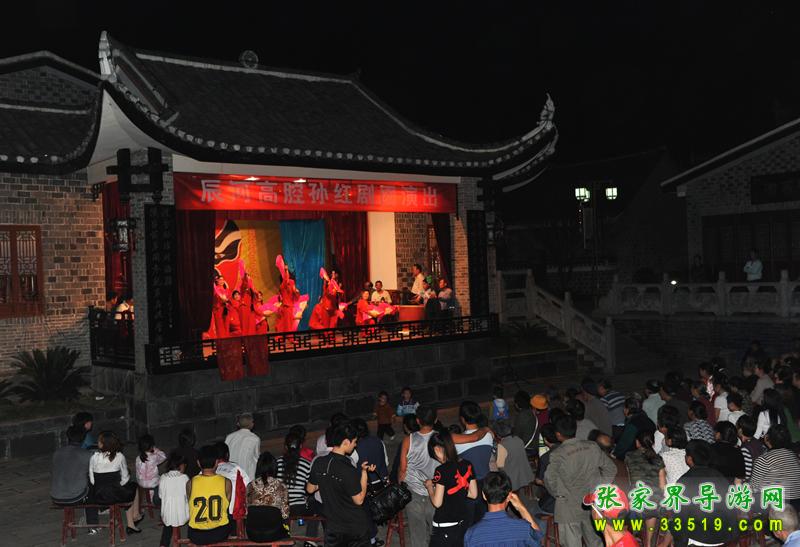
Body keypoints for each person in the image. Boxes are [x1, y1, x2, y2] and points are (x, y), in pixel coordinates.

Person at [543, 414, 616, 547]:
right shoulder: (592, 446)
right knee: (595, 541)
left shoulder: (558, 454)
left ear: (558, 434)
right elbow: (611, 469)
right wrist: (598, 489)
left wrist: (559, 495)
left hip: (568, 507)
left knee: (571, 543)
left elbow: (549, 479)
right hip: (592, 503)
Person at [307, 420, 376, 547]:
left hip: (333, 528)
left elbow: (310, 489)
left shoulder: (319, 462)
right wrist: (364, 473)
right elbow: (359, 500)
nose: (355, 445)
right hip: (354, 528)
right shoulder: (347, 468)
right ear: (345, 442)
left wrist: (325, 479)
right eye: (354, 442)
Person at [668, 440, 738, 547]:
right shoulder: (720, 477)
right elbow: (731, 509)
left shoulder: (684, 481)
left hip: (700, 538)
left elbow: (681, 519)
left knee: (671, 523)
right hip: (725, 536)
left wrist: (680, 544)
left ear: (689, 459)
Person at [424, 430, 478, 547]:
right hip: (461, 524)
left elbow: (437, 503)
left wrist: (430, 487)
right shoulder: (467, 464)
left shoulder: (441, 470)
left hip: (444, 526)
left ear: (437, 449)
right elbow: (473, 494)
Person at [464, 471, 542, 547]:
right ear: (509, 496)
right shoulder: (523, 528)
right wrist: (521, 507)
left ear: (484, 495)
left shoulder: (472, 535)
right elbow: (538, 538)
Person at [399, 405, 439, 547]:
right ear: (436, 419)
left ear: (417, 420)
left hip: (414, 490)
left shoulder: (408, 440)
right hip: (435, 490)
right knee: (436, 531)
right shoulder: (440, 438)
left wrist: (400, 485)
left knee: (417, 533)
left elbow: (403, 469)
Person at [89, 431, 142, 534]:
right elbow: (125, 479)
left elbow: (92, 481)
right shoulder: (119, 456)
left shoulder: (94, 457)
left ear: (103, 444)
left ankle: (132, 518)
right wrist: (117, 486)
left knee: (126, 489)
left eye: (99, 441)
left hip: (99, 496)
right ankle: (132, 522)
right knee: (133, 487)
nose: (97, 442)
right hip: (115, 495)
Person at [51, 426, 99, 534]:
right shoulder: (86, 455)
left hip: (56, 495)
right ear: (83, 439)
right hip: (75, 496)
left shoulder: (57, 453)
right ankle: (92, 525)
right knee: (92, 486)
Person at [277, 431, 320, 544]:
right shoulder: (306, 464)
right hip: (299, 508)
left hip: (281, 507)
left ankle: (285, 534)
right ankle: (310, 539)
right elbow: (309, 488)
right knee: (315, 504)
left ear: (285, 447)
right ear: (300, 446)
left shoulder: (277, 462)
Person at [623, 431, 664, 547]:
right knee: (652, 509)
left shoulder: (629, 456)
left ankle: (634, 536)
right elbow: (662, 485)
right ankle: (649, 543)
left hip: (636, 499)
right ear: (653, 443)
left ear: (637, 443)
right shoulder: (658, 459)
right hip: (654, 500)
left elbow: (628, 477)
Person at [187, 445, 232, 545]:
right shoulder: (226, 482)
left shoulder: (190, 483)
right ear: (217, 462)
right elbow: (226, 505)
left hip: (196, 534)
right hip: (220, 532)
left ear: (198, 463)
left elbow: (190, 502)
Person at [749, 424, 800, 511]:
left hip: (775, 507)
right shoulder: (794, 457)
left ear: (767, 438)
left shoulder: (764, 459)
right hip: (796, 507)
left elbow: (753, 489)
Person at [246, 451, 291, 542]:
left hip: (252, 533)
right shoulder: (281, 486)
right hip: (273, 533)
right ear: (274, 467)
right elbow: (285, 514)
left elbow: (246, 510)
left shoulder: (250, 486)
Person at [158, 452, 190, 547]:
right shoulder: (184, 478)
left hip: (166, 515)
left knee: (169, 522)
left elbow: (160, 496)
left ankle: (163, 544)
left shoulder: (163, 477)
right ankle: (191, 539)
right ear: (181, 465)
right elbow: (189, 496)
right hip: (183, 515)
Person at [494, 421, 535, 492]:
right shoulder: (518, 439)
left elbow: (500, 466)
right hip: (524, 473)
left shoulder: (502, 445)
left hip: (512, 478)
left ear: (498, 435)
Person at [214, 441, 251, 519]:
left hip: (212, 513)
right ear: (227, 455)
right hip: (233, 513)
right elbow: (248, 488)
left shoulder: (207, 471)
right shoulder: (236, 468)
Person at [275, 254, 308, 332]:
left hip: (290, 307)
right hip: (285, 307)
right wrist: (286, 270)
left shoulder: (291, 284)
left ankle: (288, 336)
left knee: (289, 324)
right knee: (286, 325)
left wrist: (296, 292)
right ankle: (286, 336)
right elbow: (286, 280)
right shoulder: (282, 286)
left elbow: (296, 298)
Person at [225, 413, 260, 481]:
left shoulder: (229, 437)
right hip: (247, 475)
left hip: (230, 474)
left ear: (238, 424)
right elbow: (256, 457)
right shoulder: (255, 438)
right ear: (252, 424)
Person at [533, 424, 558, 514]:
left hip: (556, 497)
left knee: (537, 510)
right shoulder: (568, 449)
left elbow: (538, 480)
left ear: (545, 440)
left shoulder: (545, 457)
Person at [135, 433, 167, 498]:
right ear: (151, 446)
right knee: (163, 478)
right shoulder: (154, 457)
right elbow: (164, 457)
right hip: (152, 483)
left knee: (151, 478)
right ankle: (155, 496)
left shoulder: (138, 458)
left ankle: (149, 495)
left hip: (141, 482)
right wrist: (155, 450)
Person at [736, 414, 765, 481]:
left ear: (740, 430)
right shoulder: (758, 443)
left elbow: (746, 475)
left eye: (736, 425)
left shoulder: (745, 449)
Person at [211, 274, 230, 338]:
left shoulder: (226, 290)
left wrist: (226, 301)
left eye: (223, 280)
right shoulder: (216, 289)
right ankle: (221, 338)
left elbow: (228, 299)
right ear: (217, 281)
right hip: (218, 309)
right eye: (220, 280)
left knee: (226, 325)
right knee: (219, 325)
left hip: (225, 310)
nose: (222, 281)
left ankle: (226, 338)